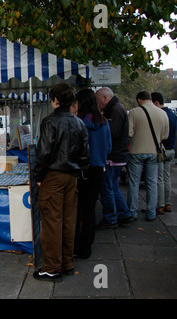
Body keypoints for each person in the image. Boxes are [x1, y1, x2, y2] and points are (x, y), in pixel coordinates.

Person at [32, 82, 89, 282]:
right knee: (68, 220)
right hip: (71, 176)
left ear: (55, 100)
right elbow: (85, 155)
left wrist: (39, 177)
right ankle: (66, 262)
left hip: (53, 176)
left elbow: (44, 153)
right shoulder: (79, 122)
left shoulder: (50, 121)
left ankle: (51, 267)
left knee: (51, 222)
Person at [74, 89, 112, 259]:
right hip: (98, 170)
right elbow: (109, 147)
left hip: (81, 170)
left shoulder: (79, 122)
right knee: (90, 210)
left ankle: (75, 246)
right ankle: (86, 249)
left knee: (77, 210)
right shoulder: (104, 122)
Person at [127, 91, 169, 221]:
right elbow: (165, 136)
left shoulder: (134, 112)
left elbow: (129, 132)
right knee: (152, 182)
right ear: (150, 99)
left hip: (136, 151)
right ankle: (151, 212)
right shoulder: (162, 114)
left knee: (134, 182)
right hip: (154, 151)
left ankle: (132, 211)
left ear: (139, 100)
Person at [95, 87, 134, 229]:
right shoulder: (117, 108)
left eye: (98, 100)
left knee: (107, 188)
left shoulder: (115, 110)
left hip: (113, 157)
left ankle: (111, 218)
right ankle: (124, 214)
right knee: (113, 187)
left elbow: (111, 133)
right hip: (118, 155)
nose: (97, 103)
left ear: (105, 98)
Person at [152, 92, 177, 214]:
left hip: (162, 150)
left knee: (159, 179)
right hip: (171, 149)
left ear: (156, 102)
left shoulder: (161, 115)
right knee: (167, 178)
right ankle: (168, 203)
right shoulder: (173, 115)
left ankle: (160, 205)